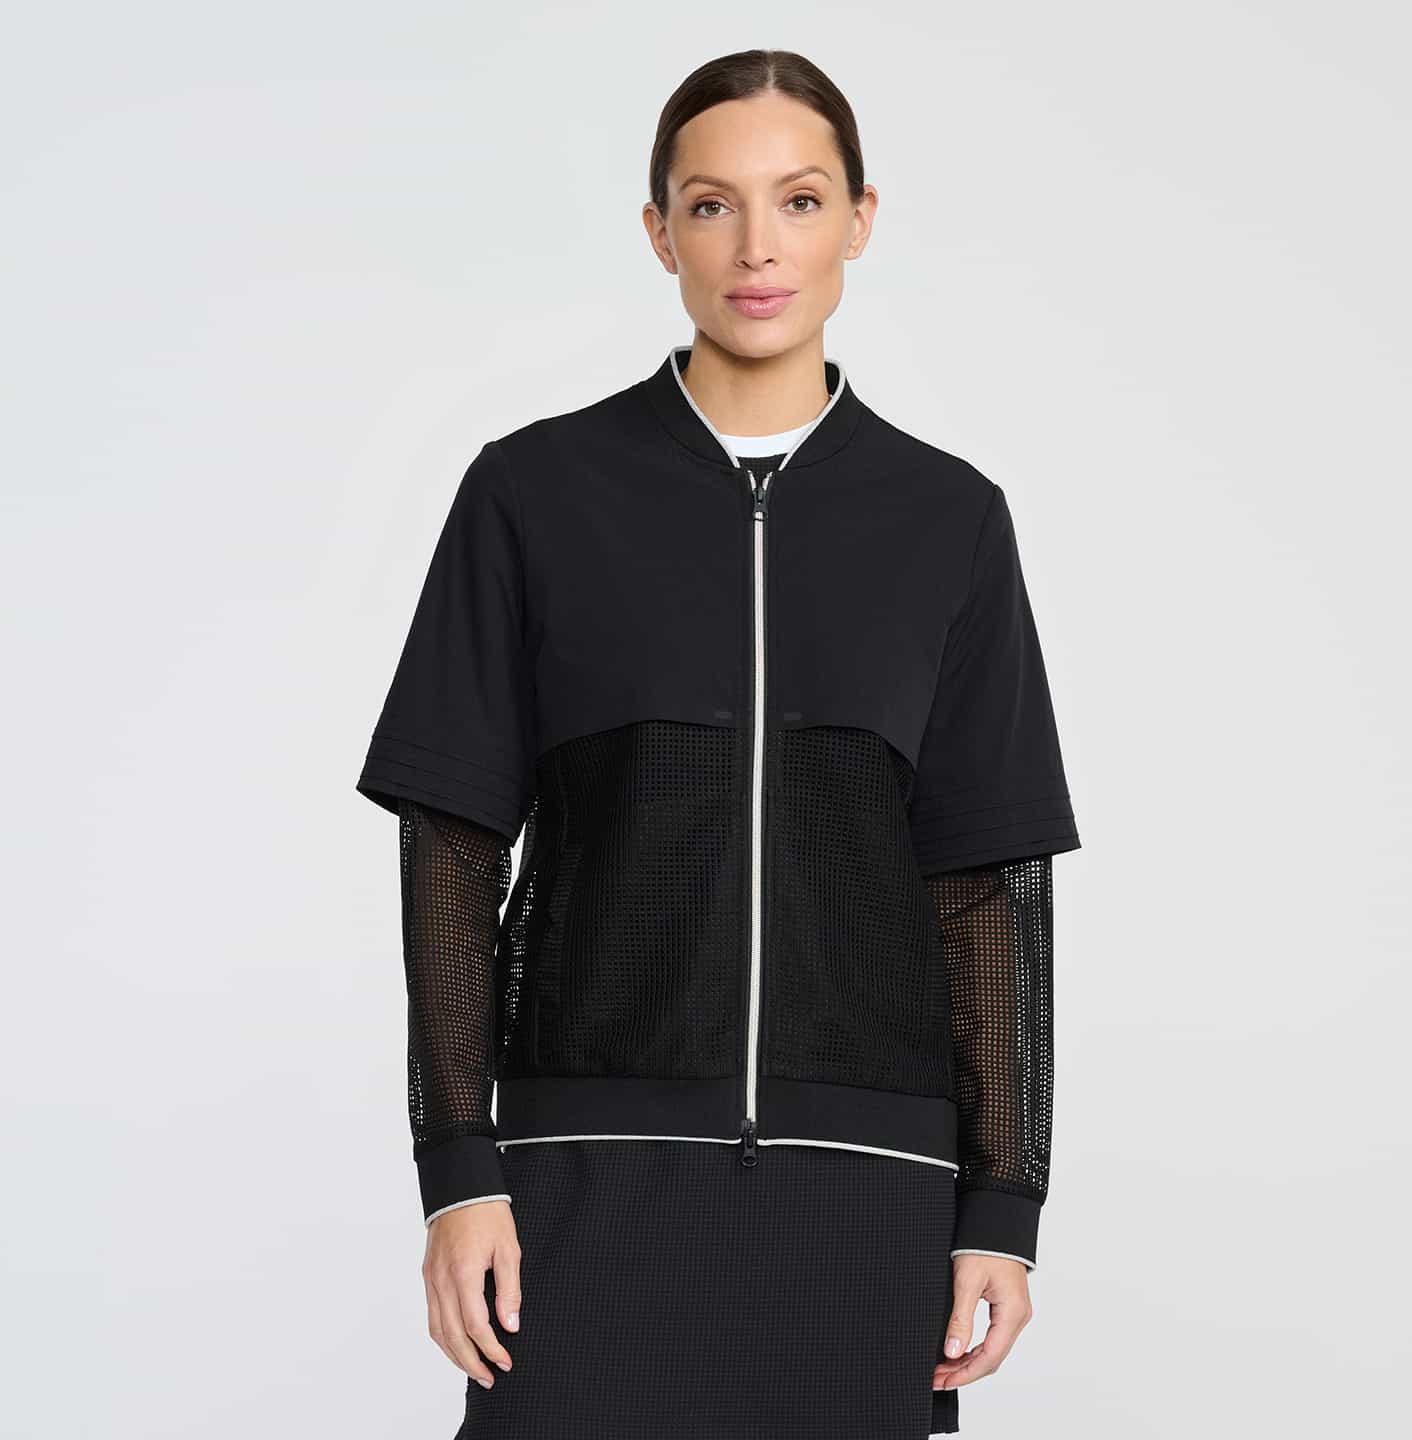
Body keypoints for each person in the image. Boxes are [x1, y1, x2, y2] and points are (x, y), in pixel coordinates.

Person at [355, 48, 1080, 1440]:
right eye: (711, 205)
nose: (757, 247)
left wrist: (1003, 1204)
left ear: (860, 220)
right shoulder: (535, 491)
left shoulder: (948, 520)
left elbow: (986, 886)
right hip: (579, 1170)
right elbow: (451, 844)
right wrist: (459, 1166)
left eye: (799, 201)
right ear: (659, 231)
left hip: (865, 1179)